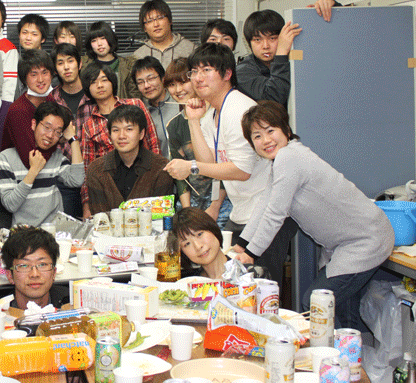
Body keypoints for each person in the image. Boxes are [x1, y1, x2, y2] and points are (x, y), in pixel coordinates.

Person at [234, 101, 394, 329]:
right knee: (341, 311)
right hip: (352, 242)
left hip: (365, 240)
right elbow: (265, 203)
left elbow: (275, 214)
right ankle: (348, 351)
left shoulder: (289, 158)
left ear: (286, 130)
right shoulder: (283, 160)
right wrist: (242, 244)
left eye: (270, 130)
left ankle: (334, 351)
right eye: (257, 136)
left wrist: (251, 253)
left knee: (316, 303)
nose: (266, 140)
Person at [163, 43, 295, 285]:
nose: (198, 78)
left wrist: (191, 167)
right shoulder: (213, 112)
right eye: (194, 71)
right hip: (243, 210)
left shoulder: (239, 110)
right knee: (234, 278)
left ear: (227, 74)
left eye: (207, 70)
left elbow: (242, 171)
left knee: (261, 284)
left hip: (267, 209)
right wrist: (193, 121)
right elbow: (210, 163)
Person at [79, 64, 160, 217]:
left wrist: (156, 177)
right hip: (110, 188)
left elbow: (153, 143)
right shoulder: (89, 125)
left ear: (113, 82)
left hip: (142, 179)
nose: (100, 85)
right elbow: (87, 167)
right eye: (93, 82)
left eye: (104, 80)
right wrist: (86, 205)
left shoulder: (135, 104)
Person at [0, 102, 84, 227]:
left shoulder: (55, 155)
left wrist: (73, 139)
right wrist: (33, 171)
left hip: (54, 230)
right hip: (24, 232)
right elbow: (10, 205)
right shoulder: (7, 157)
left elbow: (77, 180)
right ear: (34, 124)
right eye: (47, 127)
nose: (50, 135)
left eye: (57, 132)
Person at [164, 58, 228, 226]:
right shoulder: (174, 125)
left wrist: (215, 207)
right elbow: (180, 176)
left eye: (183, 82)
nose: (178, 90)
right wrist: (188, 211)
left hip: (223, 200)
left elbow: (225, 166)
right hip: (192, 202)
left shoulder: (216, 114)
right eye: (172, 85)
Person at [86, 104, 174, 214]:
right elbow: (100, 216)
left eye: (129, 129)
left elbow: (161, 214)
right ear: (109, 135)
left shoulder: (160, 167)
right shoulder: (96, 169)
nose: (121, 136)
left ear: (141, 134)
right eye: (116, 130)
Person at [47, 43, 93, 218]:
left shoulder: (94, 94)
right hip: (65, 179)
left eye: (70, 61)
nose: (66, 67)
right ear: (55, 69)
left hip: (94, 176)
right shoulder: (51, 100)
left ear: (79, 64)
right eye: (60, 63)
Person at [172, 207, 267, 280]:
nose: (198, 246)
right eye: (187, 244)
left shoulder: (253, 275)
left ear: (213, 229)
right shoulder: (187, 283)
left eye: (199, 234)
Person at [236, 9, 301, 107]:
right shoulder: (242, 71)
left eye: (272, 38)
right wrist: (281, 53)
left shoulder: (294, 62)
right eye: (258, 40)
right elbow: (274, 98)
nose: (266, 46)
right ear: (249, 43)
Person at [0, 49, 55, 161]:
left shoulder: (50, 99)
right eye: (34, 74)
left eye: (44, 73)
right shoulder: (18, 111)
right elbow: (31, 158)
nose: (40, 79)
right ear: (24, 79)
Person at [1, 226, 69, 310]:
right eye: (24, 266)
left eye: (42, 264)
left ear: (54, 272)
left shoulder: (71, 303)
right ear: (10, 275)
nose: (35, 274)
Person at [131, 55, 181, 157]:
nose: (146, 85)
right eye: (140, 82)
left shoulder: (179, 102)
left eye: (151, 78)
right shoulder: (141, 114)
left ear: (163, 78)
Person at [132, 0, 196, 68]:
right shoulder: (138, 56)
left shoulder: (191, 49)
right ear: (144, 28)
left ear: (170, 20)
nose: (156, 24)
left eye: (160, 18)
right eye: (150, 21)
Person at [83, 20, 139, 99]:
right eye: (94, 40)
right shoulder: (85, 66)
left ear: (110, 38)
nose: (99, 44)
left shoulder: (128, 65)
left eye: (103, 38)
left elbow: (134, 97)